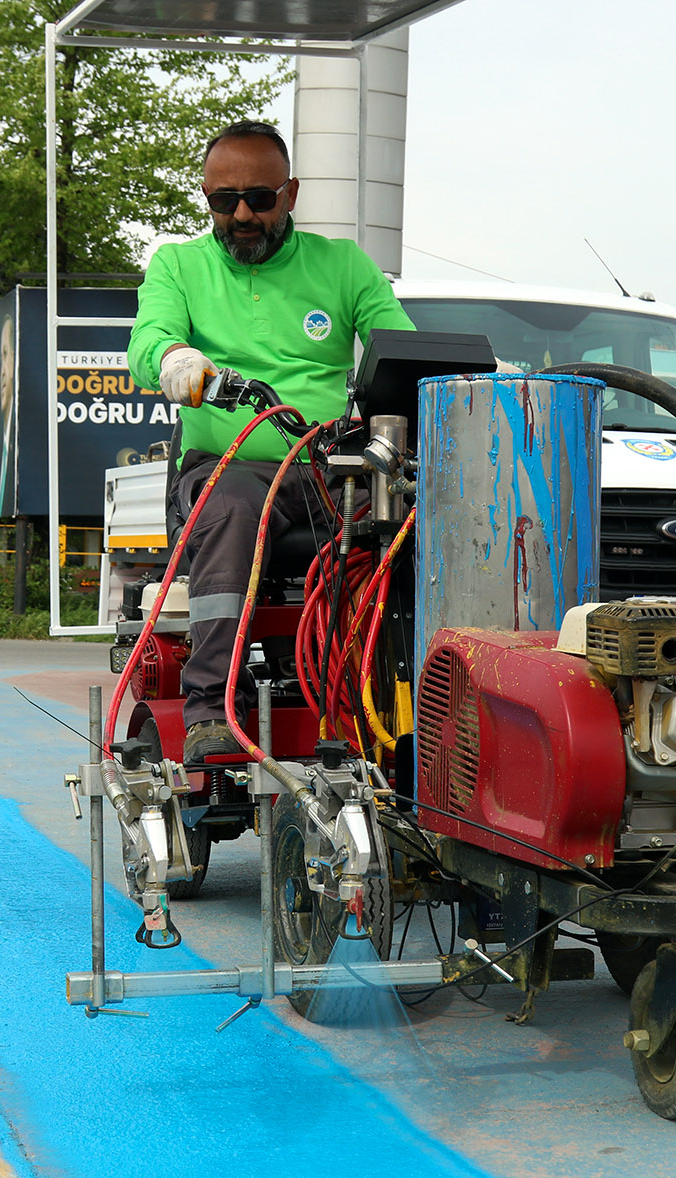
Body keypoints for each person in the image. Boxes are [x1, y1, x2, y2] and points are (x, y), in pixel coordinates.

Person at [127, 120, 414, 764]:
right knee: (230, 506)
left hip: (326, 464)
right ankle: (210, 711)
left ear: (291, 194)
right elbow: (148, 340)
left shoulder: (343, 267)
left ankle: (403, 702)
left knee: (412, 525)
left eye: (258, 197)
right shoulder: (179, 265)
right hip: (227, 468)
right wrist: (173, 358)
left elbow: (402, 351)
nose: (242, 215)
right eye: (223, 201)